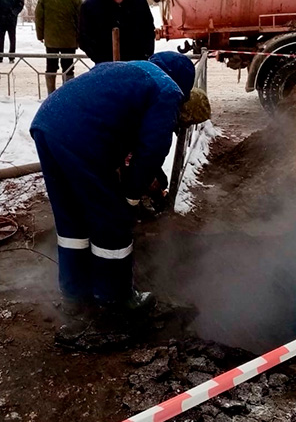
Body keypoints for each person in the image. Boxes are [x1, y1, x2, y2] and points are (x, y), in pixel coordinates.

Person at [30, 52, 208, 344]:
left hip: (47, 123)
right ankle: (115, 299)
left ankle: (75, 295)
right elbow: (152, 150)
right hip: (81, 136)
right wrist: (131, 197)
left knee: (72, 218)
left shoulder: (131, 71)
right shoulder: (167, 90)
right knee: (112, 220)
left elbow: (121, 134)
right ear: (184, 88)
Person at [79, 0, 155, 64]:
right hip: (107, 64)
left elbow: (148, 26)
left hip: (138, 61)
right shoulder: (91, 6)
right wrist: (100, 59)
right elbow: (84, 38)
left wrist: (147, 53)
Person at [34, 0, 82, 95]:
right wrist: (79, 36)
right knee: (68, 66)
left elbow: (39, 18)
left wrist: (40, 35)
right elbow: (80, 19)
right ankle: (67, 93)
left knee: (51, 65)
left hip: (51, 40)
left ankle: (51, 93)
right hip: (69, 40)